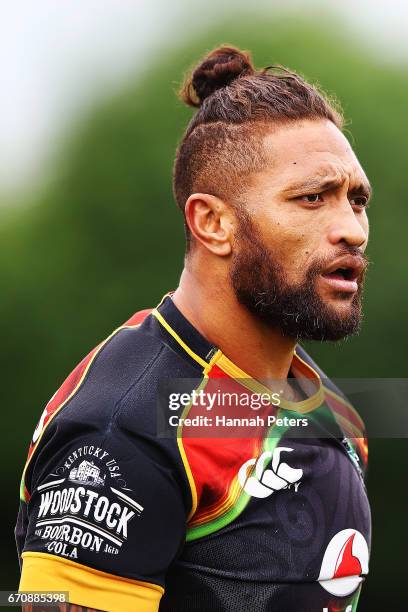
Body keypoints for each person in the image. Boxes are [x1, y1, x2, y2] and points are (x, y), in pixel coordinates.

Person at [16, 45, 371, 612]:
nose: (351, 230)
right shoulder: (121, 425)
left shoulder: (331, 408)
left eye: (356, 201)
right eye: (312, 198)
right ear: (212, 223)